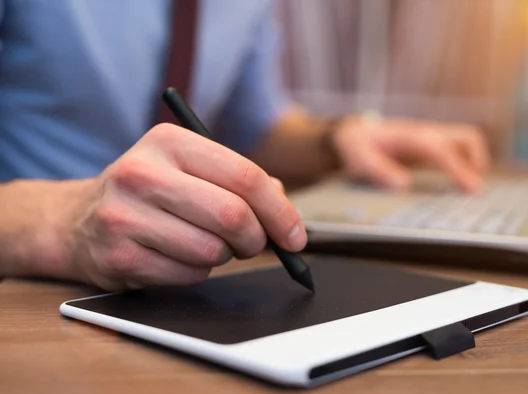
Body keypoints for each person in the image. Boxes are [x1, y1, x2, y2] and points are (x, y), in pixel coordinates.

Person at [0, 0, 489, 290]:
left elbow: (252, 127)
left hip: (179, 291)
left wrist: (339, 138)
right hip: (29, 296)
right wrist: (64, 224)